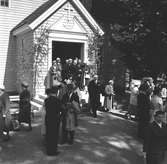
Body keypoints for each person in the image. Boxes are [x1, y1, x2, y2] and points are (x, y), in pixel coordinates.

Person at [45, 86, 62, 156]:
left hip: (48, 118)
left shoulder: (47, 100)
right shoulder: (57, 100)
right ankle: (53, 151)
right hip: (55, 119)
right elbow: (60, 110)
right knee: (54, 135)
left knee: (49, 134)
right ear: (56, 92)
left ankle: (48, 150)